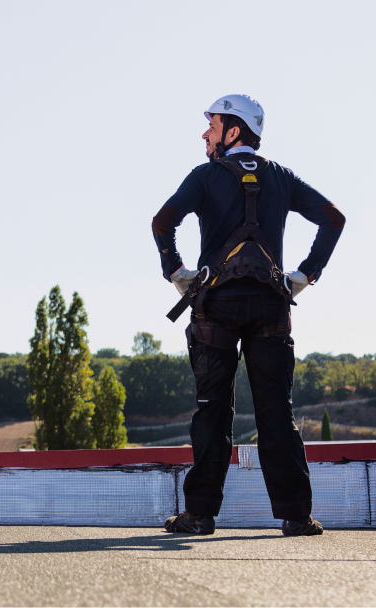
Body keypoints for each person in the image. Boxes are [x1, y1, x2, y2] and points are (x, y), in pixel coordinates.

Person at [151, 94, 345, 536]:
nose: (205, 134)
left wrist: (176, 272)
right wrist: (304, 275)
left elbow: (162, 223)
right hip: (271, 308)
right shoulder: (280, 178)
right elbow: (333, 218)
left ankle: (199, 515)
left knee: (212, 411)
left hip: (215, 309)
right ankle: (296, 516)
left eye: (213, 126)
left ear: (233, 131)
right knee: (276, 411)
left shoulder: (203, 177)